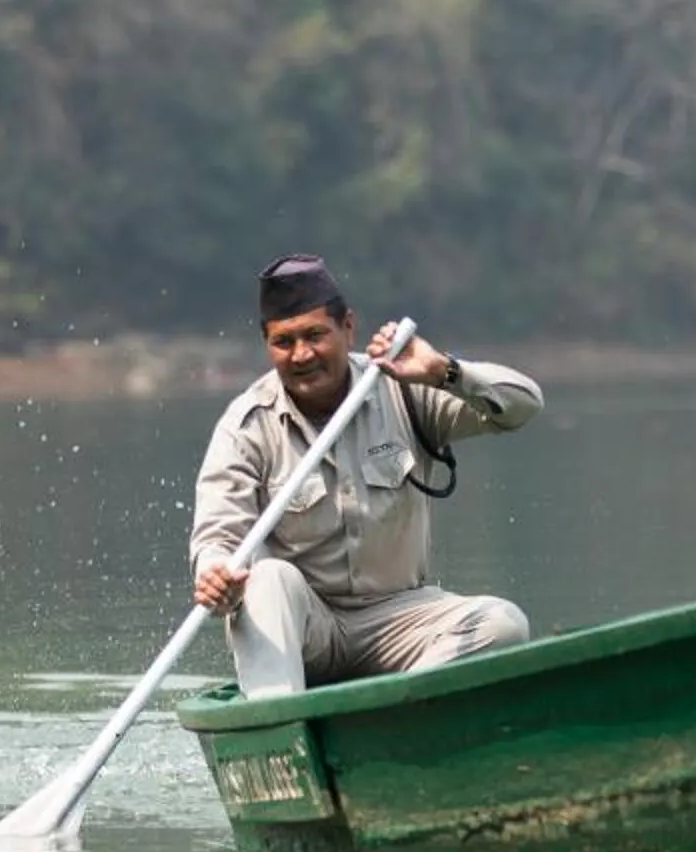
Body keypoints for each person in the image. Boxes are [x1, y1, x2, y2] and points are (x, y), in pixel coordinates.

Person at [191, 254, 541, 697]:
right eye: (284, 342)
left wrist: (443, 372)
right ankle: (281, 731)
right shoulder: (246, 425)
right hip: (307, 631)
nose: (301, 355)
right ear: (267, 345)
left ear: (347, 327)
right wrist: (216, 574)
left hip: (400, 620)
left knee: (504, 624)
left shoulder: (403, 388)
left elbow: (524, 406)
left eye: (315, 335)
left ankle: (391, 713)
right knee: (263, 578)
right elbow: (217, 537)